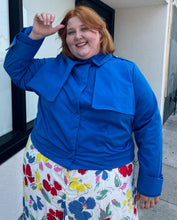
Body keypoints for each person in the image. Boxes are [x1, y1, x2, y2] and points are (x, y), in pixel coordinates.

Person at [4, 6, 163, 220]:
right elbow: (15, 67)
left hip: (104, 181)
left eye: (85, 29)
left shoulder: (128, 73)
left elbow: (149, 126)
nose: (77, 36)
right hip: (44, 171)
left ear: (100, 33)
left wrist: (150, 181)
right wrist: (35, 35)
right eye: (70, 32)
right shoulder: (50, 67)